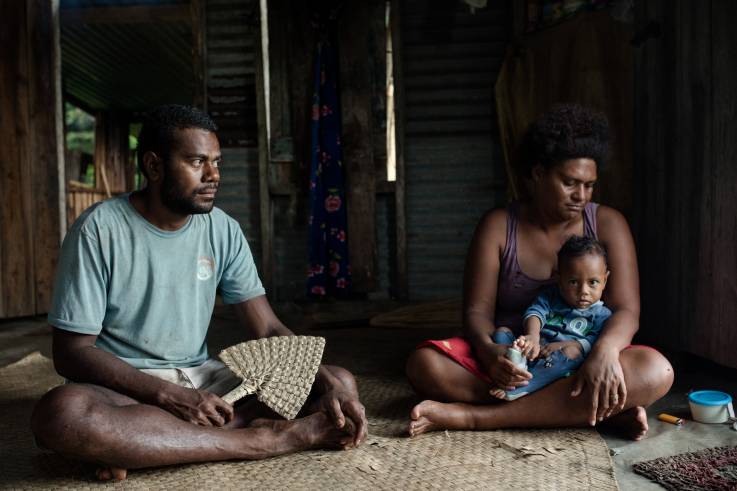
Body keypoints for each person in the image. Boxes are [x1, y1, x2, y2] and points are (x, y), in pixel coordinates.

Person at [31, 105, 368, 481]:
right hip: (127, 387)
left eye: (216, 163)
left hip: (205, 380)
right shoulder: (99, 229)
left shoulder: (222, 229)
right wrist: (169, 396)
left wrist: (331, 385)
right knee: (63, 414)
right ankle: (261, 441)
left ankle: (150, 445)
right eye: (196, 162)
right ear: (154, 166)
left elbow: (269, 329)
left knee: (340, 382)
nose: (213, 176)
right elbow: (71, 353)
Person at [405, 103, 673, 440]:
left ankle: (473, 417)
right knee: (424, 364)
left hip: (580, 357)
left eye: (589, 185)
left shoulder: (607, 223)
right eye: (569, 183)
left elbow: (626, 310)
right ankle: (589, 412)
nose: (581, 196)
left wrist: (603, 352)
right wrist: (490, 355)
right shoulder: (499, 225)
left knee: (655, 371)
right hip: (512, 360)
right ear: (537, 173)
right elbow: (476, 311)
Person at [489, 235, 612, 401]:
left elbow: (595, 341)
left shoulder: (602, 314)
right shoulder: (551, 297)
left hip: (561, 360)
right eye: (574, 282)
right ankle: (518, 365)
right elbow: (535, 312)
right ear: (560, 279)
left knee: (571, 353)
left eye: (593, 282)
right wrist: (532, 336)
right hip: (534, 350)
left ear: (605, 280)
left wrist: (565, 345)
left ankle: (526, 385)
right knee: (502, 333)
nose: (584, 290)